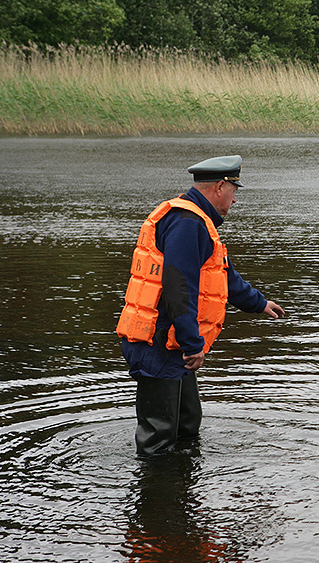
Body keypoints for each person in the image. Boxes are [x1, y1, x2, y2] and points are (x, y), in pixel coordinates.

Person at [117, 155, 285, 457]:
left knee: (187, 424)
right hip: (161, 342)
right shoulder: (187, 223)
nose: (234, 201)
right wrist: (192, 344)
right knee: (158, 437)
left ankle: (183, 491)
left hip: (174, 341)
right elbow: (178, 289)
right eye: (234, 191)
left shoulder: (197, 220)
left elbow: (223, 277)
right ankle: (158, 499)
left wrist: (259, 304)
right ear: (220, 187)